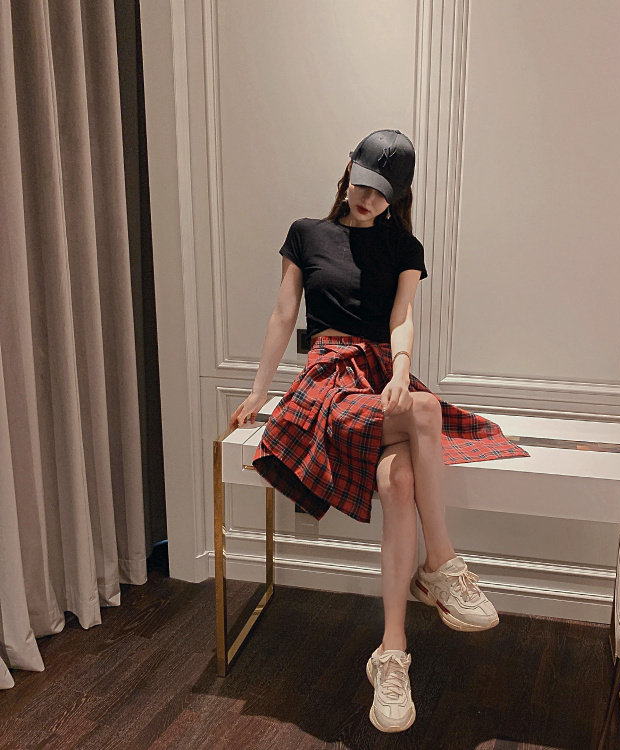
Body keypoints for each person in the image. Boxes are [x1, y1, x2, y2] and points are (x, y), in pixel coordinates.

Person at [229, 129, 530, 733]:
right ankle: (441, 564)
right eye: (363, 184)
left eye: (382, 192)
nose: (368, 198)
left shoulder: (404, 247)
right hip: (327, 381)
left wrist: (398, 371)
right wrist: (260, 391)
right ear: (349, 170)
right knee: (426, 411)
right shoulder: (305, 234)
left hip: (379, 378)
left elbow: (402, 316)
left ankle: (392, 654)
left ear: (398, 196)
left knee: (398, 482)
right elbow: (284, 314)